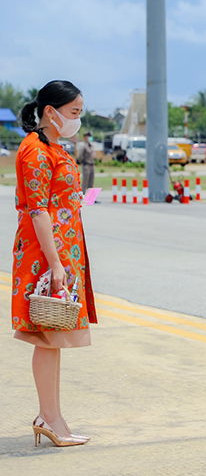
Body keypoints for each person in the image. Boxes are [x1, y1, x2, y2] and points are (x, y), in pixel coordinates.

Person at [12, 80, 97, 447]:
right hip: (46, 257)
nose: (78, 120)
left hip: (61, 253)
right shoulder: (35, 151)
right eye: (74, 113)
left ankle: (51, 416)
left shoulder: (54, 147)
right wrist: (56, 264)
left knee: (53, 340)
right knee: (47, 338)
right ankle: (51, 419)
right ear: (51, 112)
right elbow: (38, 210)